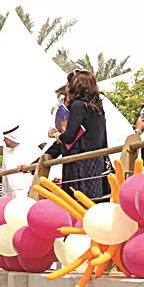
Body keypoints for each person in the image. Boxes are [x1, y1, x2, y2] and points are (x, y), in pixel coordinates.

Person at [46, 70, 109, 200]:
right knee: (93, 200)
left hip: (79, 162)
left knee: (77, 201)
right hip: (96, 159)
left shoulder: (78, 105)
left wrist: (56, 135)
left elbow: (69, 136)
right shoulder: (97, 106)